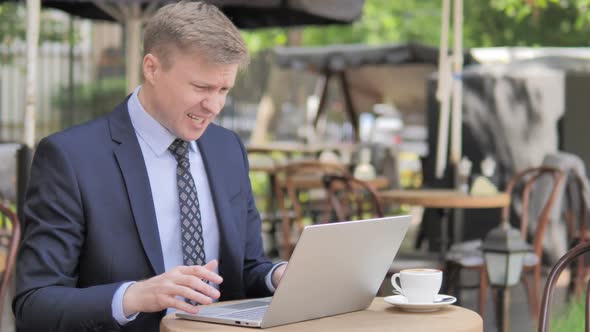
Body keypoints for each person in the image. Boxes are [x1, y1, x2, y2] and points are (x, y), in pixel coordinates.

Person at [12, 2, 286, 331]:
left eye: (223, 90)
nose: (214, 106)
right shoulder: (69, 157)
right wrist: (134, 296)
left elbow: (246, 269)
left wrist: (277, 276)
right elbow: (34, 303)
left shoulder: (227, 148)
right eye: (201, 88)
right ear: (152, 68)